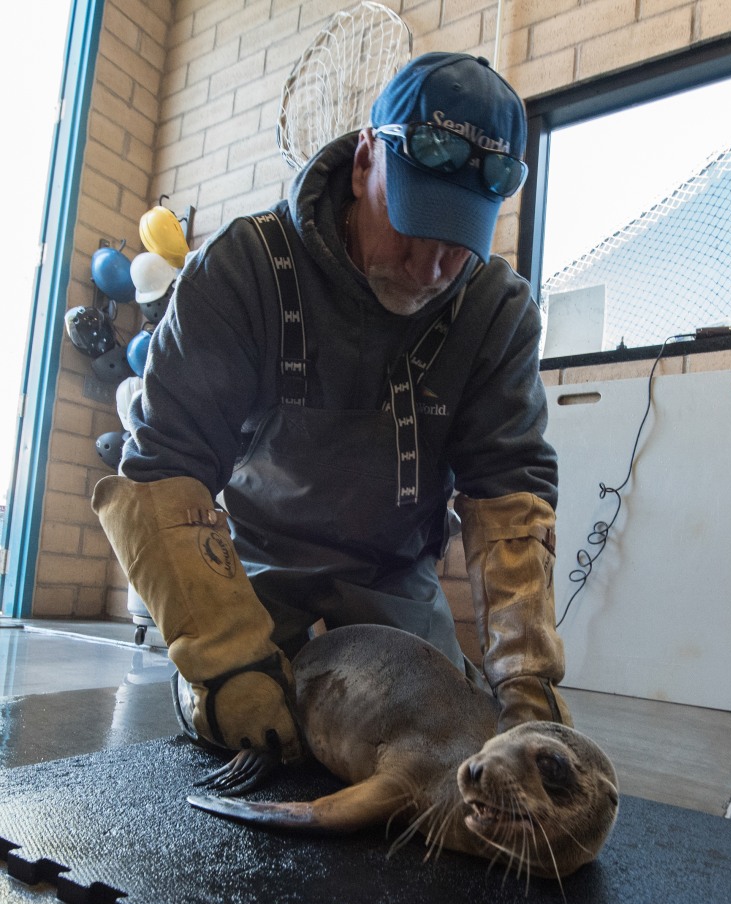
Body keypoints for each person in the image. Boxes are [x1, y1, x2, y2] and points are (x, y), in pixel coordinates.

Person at [93, 51, 571, 772]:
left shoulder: (497, 312)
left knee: (442, 749)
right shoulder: (243, 269)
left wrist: (528, 685)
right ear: (364, 162)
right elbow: (163, 470)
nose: (430, 268)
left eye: (456, 243)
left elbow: (509, 491)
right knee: (235, 722)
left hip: (394, 576)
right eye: (412, 226)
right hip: (253, 566)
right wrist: (224, 665)